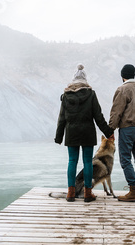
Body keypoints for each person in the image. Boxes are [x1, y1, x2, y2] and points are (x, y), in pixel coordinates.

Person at [55, 64, 114, 202]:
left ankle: (70, 193)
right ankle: (88, 193)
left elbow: (61, 118)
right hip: (87, 132)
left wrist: (59, 137)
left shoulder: (66, 96)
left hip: (72, 133)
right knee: (88, 162)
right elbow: (98, 116)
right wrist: (108, 132)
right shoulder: (91, 94)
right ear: (85, 80)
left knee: (72, 161)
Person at [109, 64, 135, 202]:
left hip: (127, 129)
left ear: (122, 76)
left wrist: (110, 129)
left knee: (125, 159)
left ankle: (134, 191)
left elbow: (116, 112)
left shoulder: (122, 89)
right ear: (134, 75)